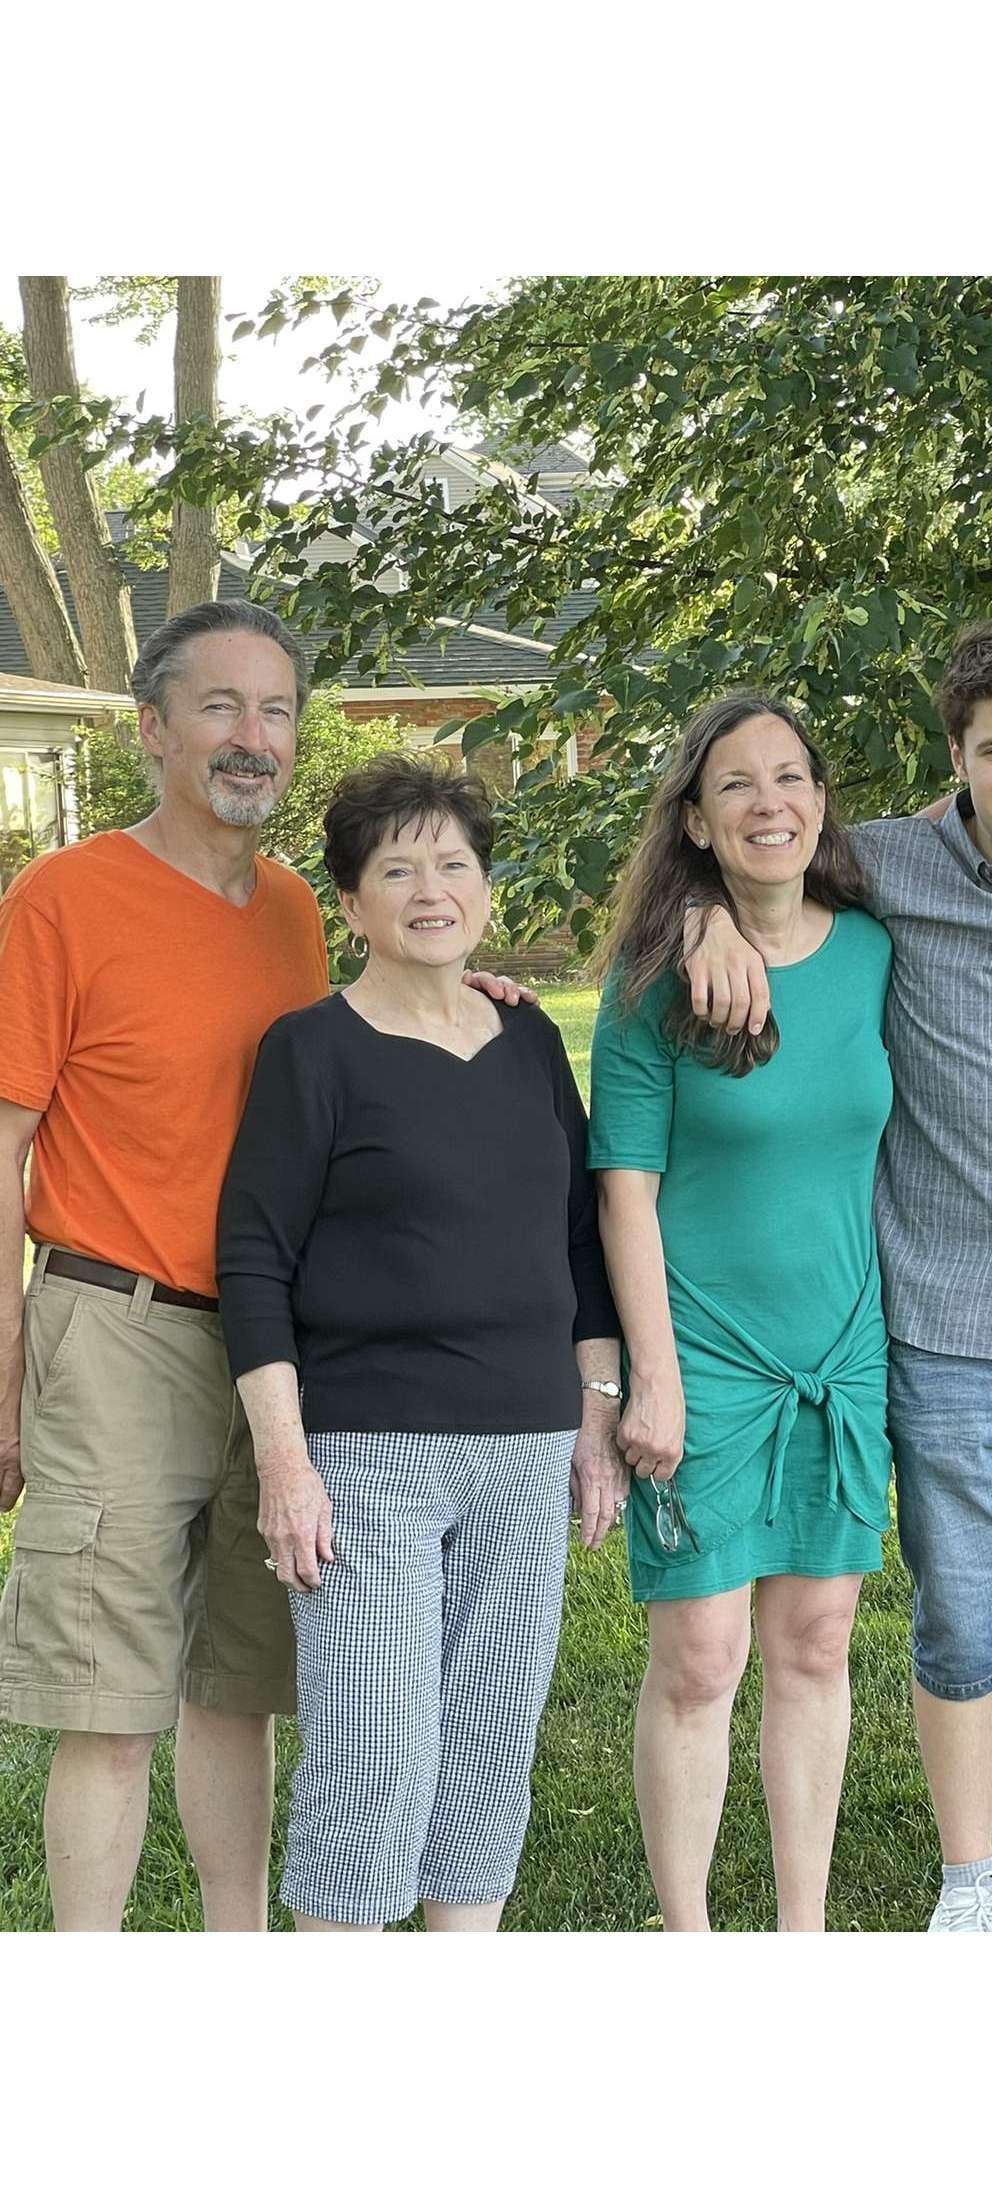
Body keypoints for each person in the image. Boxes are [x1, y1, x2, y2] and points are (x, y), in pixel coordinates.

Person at [0, 599, 527, 1931]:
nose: (253, 735)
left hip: (286, 1350)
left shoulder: (302, 912)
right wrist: (8, 1373)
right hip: (116, 1323)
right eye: (221, 705)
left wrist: (480, 992)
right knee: (111, 1705)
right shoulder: (60, 900)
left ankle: (238, 1978)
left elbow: (388, 1021)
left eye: (278, 708)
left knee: (240, 1685)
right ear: (153, 728)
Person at [681, 621, 992, 1931]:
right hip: (944, 1323)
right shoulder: (885, 868)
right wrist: (700, 913)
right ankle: (967, 1880)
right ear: (956, 756)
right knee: (962, 1618)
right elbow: (750, 850)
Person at [216, 758, 625, 1930]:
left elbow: (580, 1246)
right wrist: (287, 1467)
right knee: (373, 1758)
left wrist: (594, 1419)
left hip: (524, 1445)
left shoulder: (530, 1043)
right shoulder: (312, 1051)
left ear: (487, 890)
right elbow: (254, 1261)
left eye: (453, 864)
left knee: (490, 1757)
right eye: (398, 869)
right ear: (352, 906)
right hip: (367, 1455)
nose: (431, 888)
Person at [591, 691, 894, 1932]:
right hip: (704, 1355)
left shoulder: (877, 949)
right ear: (698, 823)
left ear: (821, 803)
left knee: (817, 1642)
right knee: (702, 1658)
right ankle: (690, 1934)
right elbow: (624, 1191)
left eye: (791, 779)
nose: (771, 803)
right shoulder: (653, 984)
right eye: (736, 787)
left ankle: (801, 1932)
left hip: (842, 1353)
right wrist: (648, 1380)